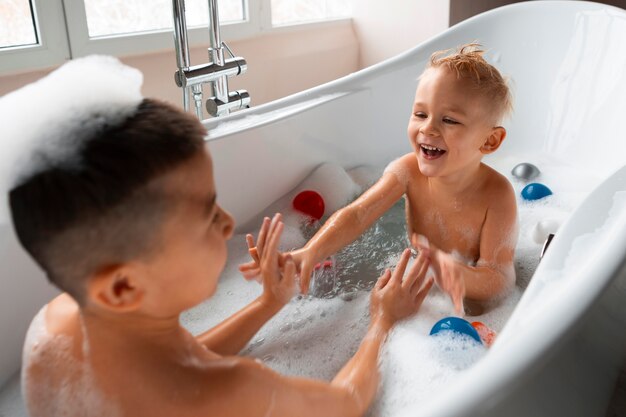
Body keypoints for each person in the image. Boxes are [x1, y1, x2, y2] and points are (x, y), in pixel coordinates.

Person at [10, 89, 433, 415]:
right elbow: (344, 403)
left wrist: (269, 304)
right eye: (207, 216)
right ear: (123, 286)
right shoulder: (228, 390)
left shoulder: (60, 323)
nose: (229, 221)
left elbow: (179, 357)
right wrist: (383, 320)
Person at [241, 43, 518, 315]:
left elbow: (499, 277)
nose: (428, 128)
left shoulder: (497, 195)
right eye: (420, 114)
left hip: (466, 302)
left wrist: (455, 274)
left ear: (490, 141)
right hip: (416, 271)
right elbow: (357, 214)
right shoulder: (409, 170)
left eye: (450, 120)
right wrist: (311, 252)